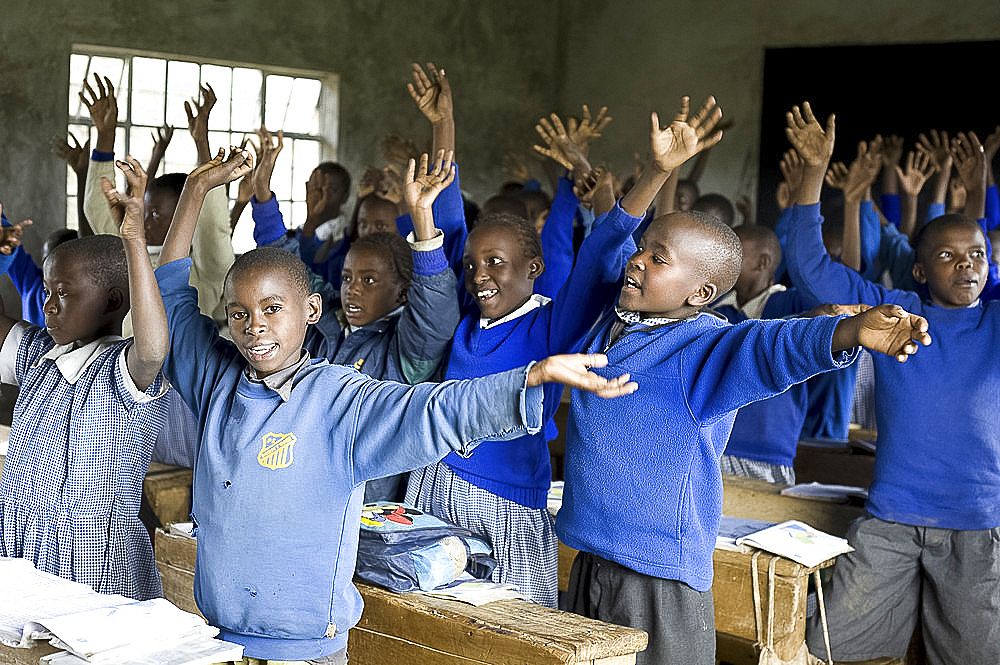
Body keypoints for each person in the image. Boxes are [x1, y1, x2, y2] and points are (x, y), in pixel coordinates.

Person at [151, 145, 636, 664]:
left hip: (308, 649)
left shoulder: (340, 399)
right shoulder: (214, 379)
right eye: (239, 313)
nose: (256, 326)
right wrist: (195, 193)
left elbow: (437, 410)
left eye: (273, 309)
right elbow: (172, 295)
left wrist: (531, 375)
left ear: (313, 310)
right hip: (219, 638)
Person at [553, 100, 932, 665]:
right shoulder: (614, 324)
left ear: (699, 295)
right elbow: (602, 253)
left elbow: (772, 347)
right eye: (641, 249)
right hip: (591, 559)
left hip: (660, 579)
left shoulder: (704, 345)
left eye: (658, 260)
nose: (637, 261)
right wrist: (656, 174)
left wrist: (849, 329)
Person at [405, 96, 726, 609]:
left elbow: (602, 248)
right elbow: (445, 215)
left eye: (496, 263)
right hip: (435, 483)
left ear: (534, 267)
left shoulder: (553, 325)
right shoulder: (467, 310)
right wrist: (445, 125)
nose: (480, 275)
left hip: (504, 501)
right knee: (432, 616)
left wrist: (657, 173)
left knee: (519, 626)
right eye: (472, 265)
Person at [779, 102, 1000, 663]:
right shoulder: (894, 312)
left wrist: (977, 186)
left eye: (977, 255)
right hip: (891, 520)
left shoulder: (995, 324)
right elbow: (810, 269)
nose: (966, 266)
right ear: (920, 271)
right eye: (948, 257)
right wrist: (812, 174)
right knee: (825, 645)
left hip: (980, 527)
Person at [249, 125, 461, 501]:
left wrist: (423, 222)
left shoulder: (405, 349)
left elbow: (436, 313)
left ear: (403, 291)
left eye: (369, 280)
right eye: (347, 278)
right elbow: (285, 265)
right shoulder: (326, 315)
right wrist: (263, 192)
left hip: (366, 500)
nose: (353, 289)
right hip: (298, 480)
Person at [0, 158, 170, 600]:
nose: (49, 305)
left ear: (113, 299)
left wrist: (133, 239)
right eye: (46, 291)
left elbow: (153, 345)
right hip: (24, 559)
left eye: (65, 294)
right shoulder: (39, 355)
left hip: (95, 576)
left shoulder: (126, 371)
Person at [79, 74, 234, 327]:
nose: (146, 222)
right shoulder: (130, 250)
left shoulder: (203, 271)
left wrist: (202, 145)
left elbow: (211, 226)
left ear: (186, 219)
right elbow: (96, 208)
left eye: (156, 215)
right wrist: (105, 135)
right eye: (146, 211)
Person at [713, 224, 821, 486]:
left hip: (770, 453)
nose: (722, 260)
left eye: (734, 254)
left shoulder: (792, 303)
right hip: (716, 445)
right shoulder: (714, 310)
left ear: (762, 262)